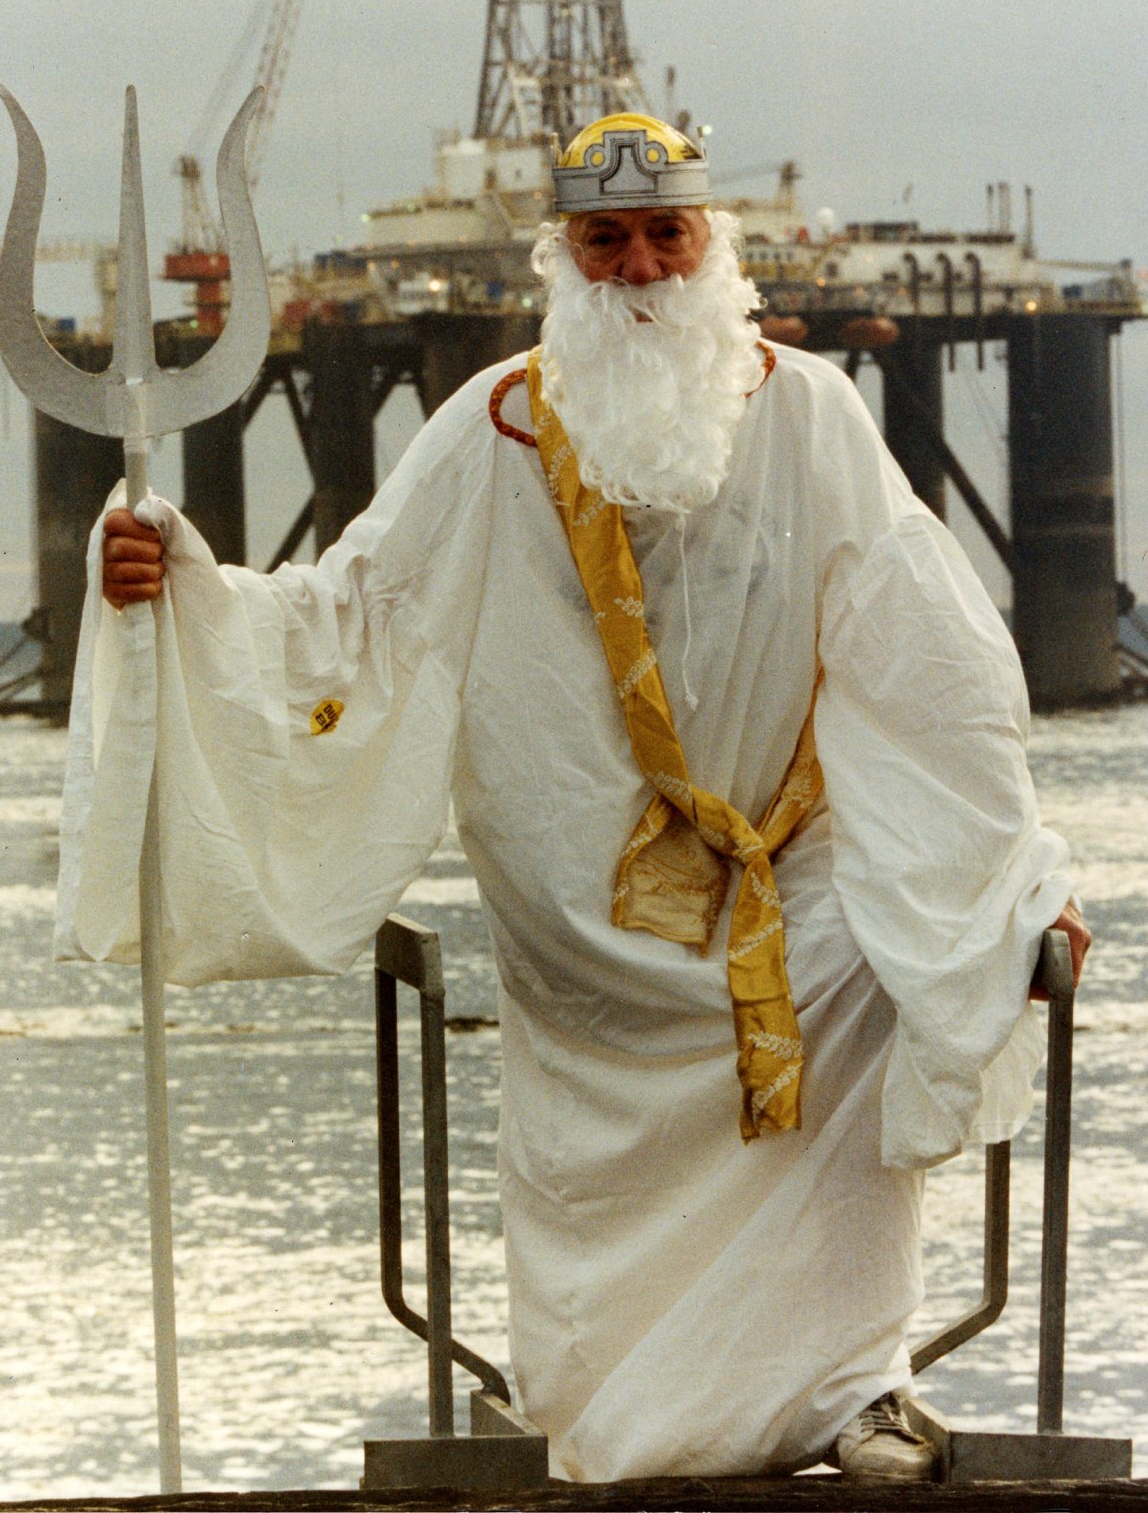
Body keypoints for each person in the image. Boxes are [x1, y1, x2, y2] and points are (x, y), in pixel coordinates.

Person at [68, 111, 1088, 1486]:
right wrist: (180, 585)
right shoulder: (488, 425)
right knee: (592, 1162)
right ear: (563, 259)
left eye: (667, 233)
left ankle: (859, 1392)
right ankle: (609, 1414)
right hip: (580, 899)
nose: (641, 266)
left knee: (879, 964)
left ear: (712, 245)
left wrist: (1010, 881)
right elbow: (358, 619)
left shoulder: (813, 412)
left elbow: (925, 649)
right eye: (606, 239)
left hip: (789, 868)